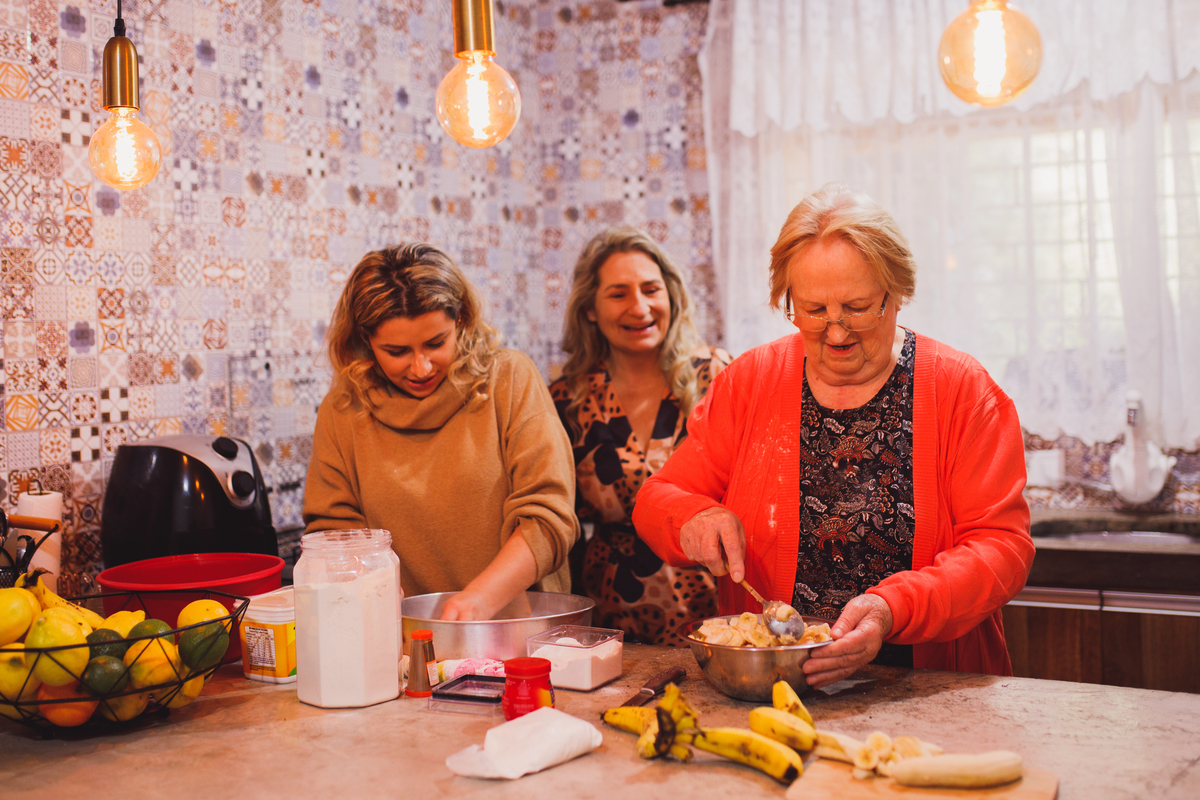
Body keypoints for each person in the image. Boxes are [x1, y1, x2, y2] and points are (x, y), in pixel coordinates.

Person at [633, 184, 1034, 685]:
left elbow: (1001, 547)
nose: (837, 332)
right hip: (775, 688)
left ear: (897, 293)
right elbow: (657, 499)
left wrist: (893, 608)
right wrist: (694, 517)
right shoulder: (749, 382)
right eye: (814, 310)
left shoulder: (963, 391)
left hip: (930, 686)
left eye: (857, 308)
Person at [303, 243, 579, 621]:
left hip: (516, 630)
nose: (421, 368)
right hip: (402, 636)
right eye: (397, 351)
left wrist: (479, 600)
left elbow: (549, 517)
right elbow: (335, 533)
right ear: (366, 339)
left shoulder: (510, 379)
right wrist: (368, 583)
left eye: (436, 343)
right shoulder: (343, 410)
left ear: (461, 320)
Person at [550, 226, 730, 644]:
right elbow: (559, 518)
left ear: (671, 296)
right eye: (618, 294)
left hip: (716, 608)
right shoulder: (566, 400)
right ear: (590, 309)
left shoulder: (716, 375)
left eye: (651, 289)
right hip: (610, 616)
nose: (640, 307)